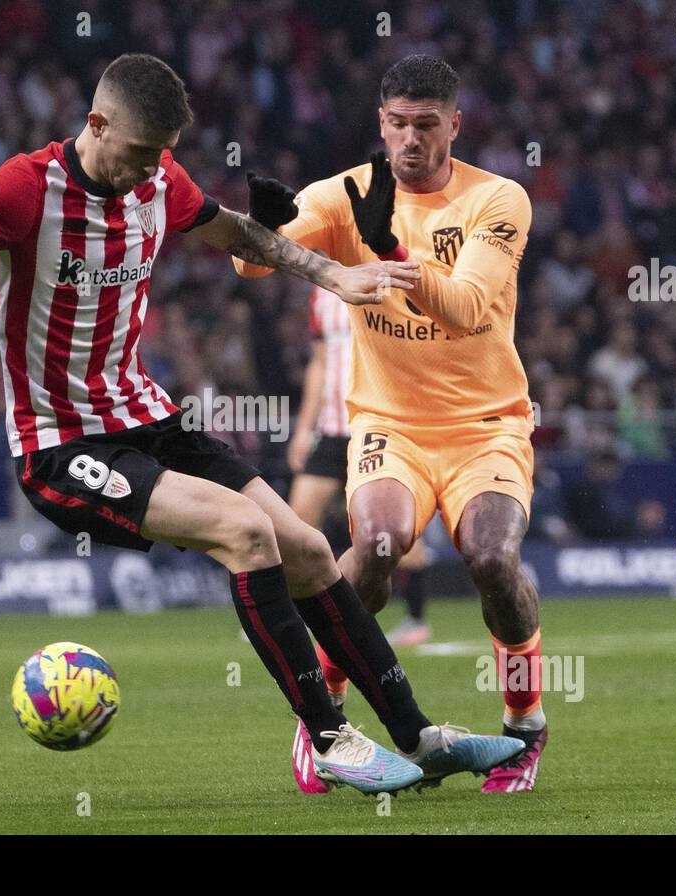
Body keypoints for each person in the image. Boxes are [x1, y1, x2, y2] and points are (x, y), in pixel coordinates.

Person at [0, 53, 522, 796]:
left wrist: (337, 276)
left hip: (147, 417)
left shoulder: (158, 178)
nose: (152, 169)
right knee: (245, 532)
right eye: (141, 152)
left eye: (164, 155)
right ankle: (330, 736)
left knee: (307, 547)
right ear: (95, 123)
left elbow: (239, 235)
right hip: (62, 443)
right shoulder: (26, 189)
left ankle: (418, 734)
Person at [235, 55, 548, 793]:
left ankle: (525, 724)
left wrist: (389, 249)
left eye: (427, 126)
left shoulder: (498, 199)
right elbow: (250, 268)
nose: (411, 139)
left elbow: (468, 310)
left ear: (455, 126)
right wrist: (262, 226)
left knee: (492, 559)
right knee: (374, 550)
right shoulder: (343, 195)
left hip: (487, 423)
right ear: (381, 122)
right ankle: (326, 720)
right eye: (398, 124)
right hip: (389, 423)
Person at [284, 285, 432, 655]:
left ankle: (416, 618)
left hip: (379, 427)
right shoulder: (319, 291)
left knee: (392, 533)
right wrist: (304, 428)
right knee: (295, 519)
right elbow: (319, 362)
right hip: (334, 430)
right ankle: (301, 617)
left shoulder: (383, 282)